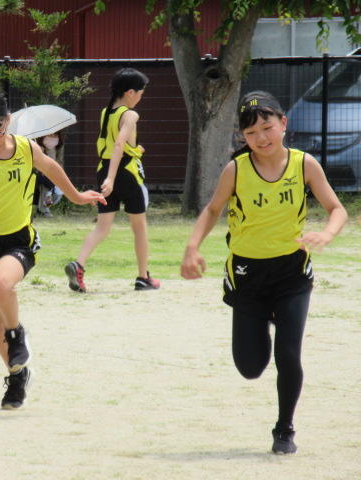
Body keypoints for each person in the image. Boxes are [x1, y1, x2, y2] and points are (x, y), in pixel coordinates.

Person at [180, 91, 348, 454]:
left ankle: (284, 429)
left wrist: (327, 233)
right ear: (243, 136)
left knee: (289, 354)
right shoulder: (236, 169)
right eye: (251, 132)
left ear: (283, 124)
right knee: (250, 367)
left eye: (267, 127)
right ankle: (265, 321)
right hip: (247, 273)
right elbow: (212, 210)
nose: (261, 138)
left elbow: (337, 209)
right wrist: (192, 247)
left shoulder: (304, 164)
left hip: (292, 271)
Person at [0, 82, 106, 409]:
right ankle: (17, 376)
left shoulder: (26, 148)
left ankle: (17, 334)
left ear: (7, 120)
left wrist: (77, 196)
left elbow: (52, 168)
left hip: (18, 240)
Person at [65, 67, 160, 293]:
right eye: (140, 93)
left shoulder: (105, 112)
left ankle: (78, 264)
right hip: (125, 172)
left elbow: (114, 145)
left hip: (104, 168)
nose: (140, 97)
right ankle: (143, 277)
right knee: (139, 228)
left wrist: (109, 174)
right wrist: (112, 177)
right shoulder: (130, 114)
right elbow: (119, 144)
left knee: (102, 228)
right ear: (129, 92)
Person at [34, 132, 64, 217]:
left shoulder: (59, 141)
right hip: (42, 169)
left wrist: (59, 171)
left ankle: (43, 208)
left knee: (57, 193)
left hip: (54, 169)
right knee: (45, 189)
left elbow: (60, 159)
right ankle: (44, 210)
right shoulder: (40, 137)